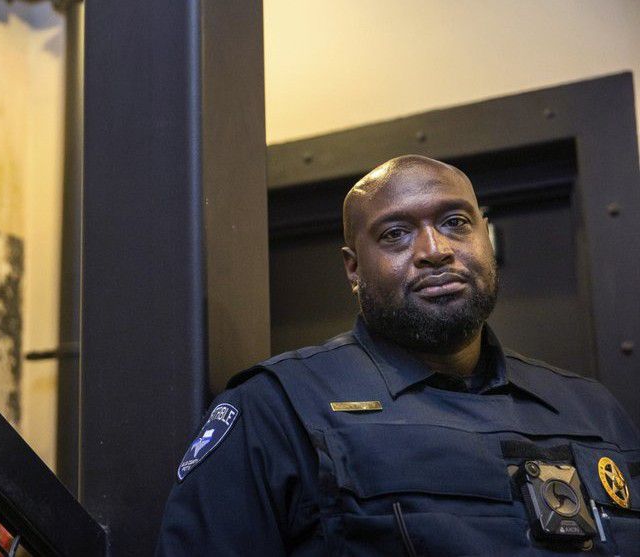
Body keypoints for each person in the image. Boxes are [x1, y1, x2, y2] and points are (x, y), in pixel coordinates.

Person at [156, 155, 640, 556]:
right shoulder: (276, 409)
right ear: (353, 268)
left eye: (455, 223)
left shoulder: (594, 411)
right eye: (395, 234)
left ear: (484, 237)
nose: (434, 250)